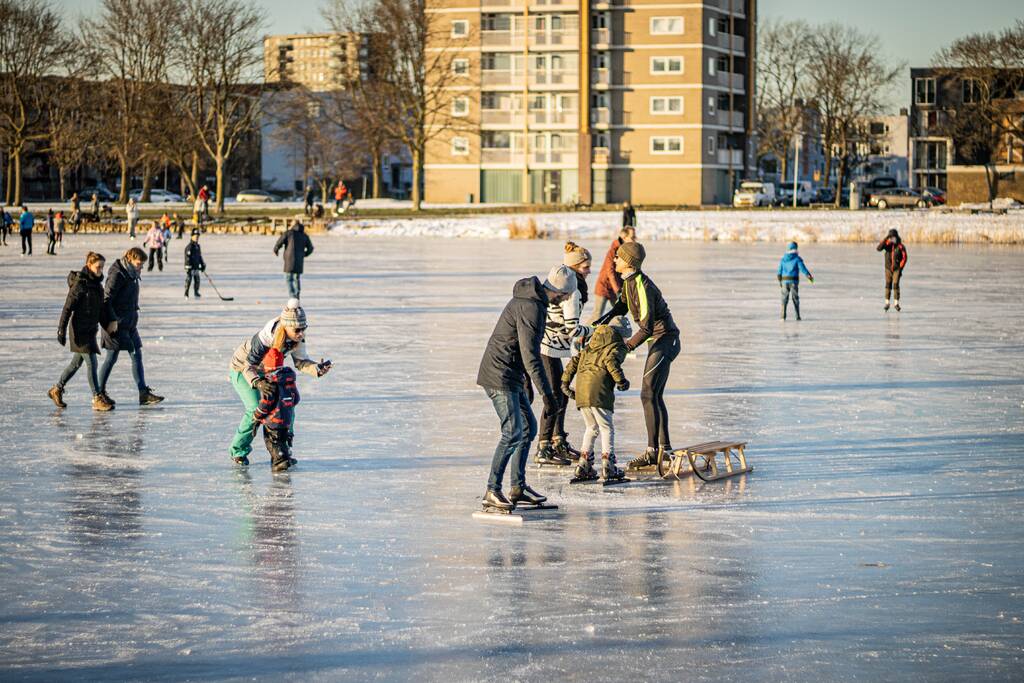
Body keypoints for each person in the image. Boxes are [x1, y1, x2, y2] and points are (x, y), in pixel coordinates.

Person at [476, 266, 576, 512]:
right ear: (559, 292)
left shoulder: (535, 303)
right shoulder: (531, 307)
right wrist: (547, 394)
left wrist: (526, 381)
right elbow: (531, 355)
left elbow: (524, 349)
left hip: (512, 374)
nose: (565, 301)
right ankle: (492, 490)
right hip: (499, 375)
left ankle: (518, 488)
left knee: (528, 428)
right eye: (566, 296)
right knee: (512, 432)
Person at [595, 241, 681, 469]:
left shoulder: (642, 285)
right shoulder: (629, 282)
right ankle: (664, 450)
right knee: (654, 395)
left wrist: (626, 347)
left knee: (648, 393)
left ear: (629, 262)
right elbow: (621, 307)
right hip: (658, 341)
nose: (614, 259)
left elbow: (646, 328)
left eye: (618, 257)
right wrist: (597, 325)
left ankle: (654, 452)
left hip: (666, 339)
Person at [228, 299, 332, 465]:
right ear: (286, 327)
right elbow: (248, 366)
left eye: (304, 328)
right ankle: (238, 451)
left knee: (286, 405)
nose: (301, 333)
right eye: (297, 329)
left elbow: (301, 362)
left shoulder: (297, 338)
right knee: (255, 408)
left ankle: (283, 451)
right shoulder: (266, 337)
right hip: (242, 369)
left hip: (269, 373)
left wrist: (317, 369)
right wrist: (258, 383)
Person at [536, 245, 592, 466]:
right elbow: (572, 329)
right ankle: (543, 447)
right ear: (574, 267)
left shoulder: (566, 284)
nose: (589, 271)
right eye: (585, 267)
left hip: (552, 346)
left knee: (561, 394)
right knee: (555, 397)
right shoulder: (572, 290)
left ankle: (557, 440)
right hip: (548, 348)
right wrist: (594, 331)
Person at [561, 316, 631, 483]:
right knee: (606, 428)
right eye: (626, 336)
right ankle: (608, 466)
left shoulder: (592, 343)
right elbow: (610, 361)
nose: (626, 340)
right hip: (599, 390)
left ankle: (583, 464)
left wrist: (565, 382)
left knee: (591, 427)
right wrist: (621, 381)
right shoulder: (617, 345)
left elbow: (575, 360)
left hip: (582, 390)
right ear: (621, 334)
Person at [48, 251, 117, 411]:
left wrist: (109, 326)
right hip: (78, 331)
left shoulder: (98, 286)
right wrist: (61, 330)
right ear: (89, 265)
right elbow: (67, 308)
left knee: (75, 364)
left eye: (102, 267)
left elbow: (100, 311)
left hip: (90, 331)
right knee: (92, 363)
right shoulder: (80, 284)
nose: (100, 270)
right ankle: (97, 397)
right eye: (98, 267)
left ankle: (57, 389)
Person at [98, 247, 164, 406]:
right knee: (111, 358)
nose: (141, 267)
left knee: (136, 355)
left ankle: (143, 393)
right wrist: (112, 320)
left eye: (142, 265)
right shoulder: (117, 274)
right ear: (129, 259)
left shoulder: (132, 273)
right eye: (139, 264)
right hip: (115, 324)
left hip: (129, 323)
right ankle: (99, 393)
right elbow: (106, 300)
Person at [252, 348, 301, 471]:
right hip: (287, 418)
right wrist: (287, 405)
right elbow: (296, 398)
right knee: (282, 439)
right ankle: (285, 457)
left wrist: (257, 416)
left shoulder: (269, 383)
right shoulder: (289, 379)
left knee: (273, 442)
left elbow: (266, 403)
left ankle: (280, 461)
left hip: (273, 420)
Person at [591, 226, 636, 323]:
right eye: (632, 237)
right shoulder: (614, 250)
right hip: (604, 286)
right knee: (597, 315)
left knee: (618, 314)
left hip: (615, 288)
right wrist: (618, 290)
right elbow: (610, 271)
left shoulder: (625, 250)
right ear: (624, 237)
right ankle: (584, 332)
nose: (635, 240)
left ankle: (616, 331)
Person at [273, 219, 314, 298]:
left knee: (288, 278)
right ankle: (296, 295)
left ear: (293, 225)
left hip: (289, 259)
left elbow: (280, 242)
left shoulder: (288, 233)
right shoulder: (304, 235)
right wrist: (304, 254)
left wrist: (276, 249)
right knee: (296, 278)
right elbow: (310, 248)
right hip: (299, 260)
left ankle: (292, 296)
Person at [777, 241, 814, 321]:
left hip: (784, 281)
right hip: (794, 281)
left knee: (784, 298)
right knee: (795, 298)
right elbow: (803, 269)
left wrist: (780, 281)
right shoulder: (797, 259)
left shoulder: (783, 259)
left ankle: (782, 317)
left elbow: (779, 271)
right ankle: (797, 316)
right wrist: (810, 277)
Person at [877, 228, 908, 312]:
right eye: (891, 237)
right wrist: (886, 239)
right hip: (888, 269)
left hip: (897, 269)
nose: (892, 239)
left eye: (894, 237)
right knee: (888, 285)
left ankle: (896, 304)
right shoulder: (887, 245)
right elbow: (878, 248)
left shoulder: (900, 246)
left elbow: (904, 257)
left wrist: (900, 267)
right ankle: (887, 303)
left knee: (895, 284)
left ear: (897, 237)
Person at [184, 228, 206, 298]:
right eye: (195, 236)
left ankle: (196, 292)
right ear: (192, 236)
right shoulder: (189, 247)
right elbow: (187, 257)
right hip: (190, 266)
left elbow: (199, 256)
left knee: (197, 279)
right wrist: (188, 266)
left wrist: (202, 264)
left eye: (198, 236)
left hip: (196, 266)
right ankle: (186, 292)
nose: (197, 238)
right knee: (189, 279)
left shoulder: (197, 246)